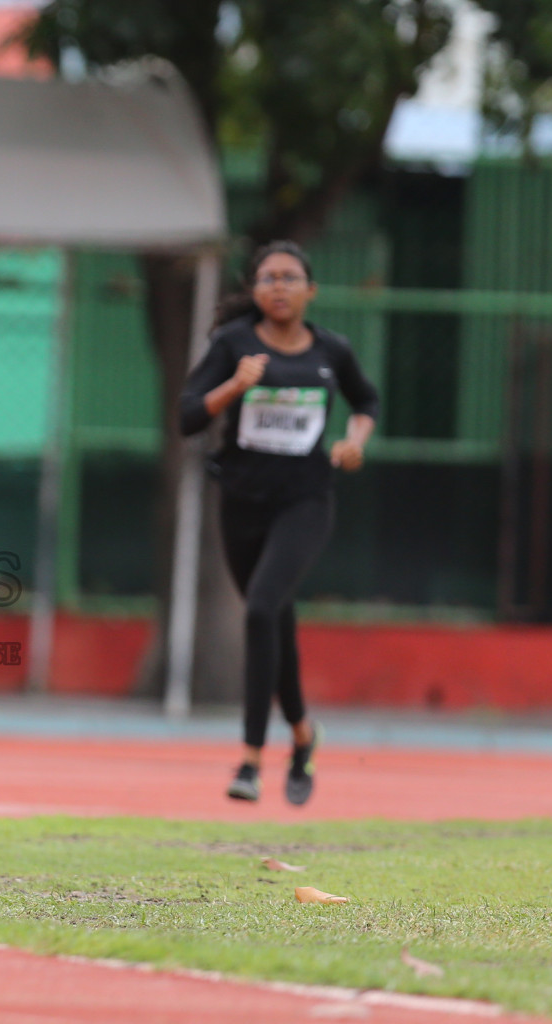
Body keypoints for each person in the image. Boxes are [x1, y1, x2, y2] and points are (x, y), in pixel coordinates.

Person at [178, 241, 378, 806]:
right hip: (241, 503)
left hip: (305, 502)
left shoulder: (331, 351)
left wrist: (354, 441)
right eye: (268, 278)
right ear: (256, 289)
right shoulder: (233, 345)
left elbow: (367, 401)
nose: (279, 287)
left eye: (291, 278)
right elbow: (187, 416)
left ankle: (249, 760)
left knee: (262, 608)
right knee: (276, 627)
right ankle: (303, 736)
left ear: (310, 290)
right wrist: (233, 388)